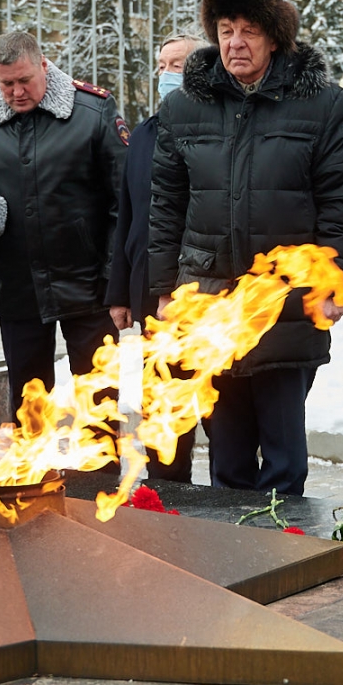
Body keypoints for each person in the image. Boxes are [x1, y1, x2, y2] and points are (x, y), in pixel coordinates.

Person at [149, 0, 343, 495]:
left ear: (274, 35)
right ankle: (231, 568)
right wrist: (162, 290)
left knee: (285, 458)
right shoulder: (184, 106)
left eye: (248, 30)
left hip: (286, 301)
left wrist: (333, 279)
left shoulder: (324, 104)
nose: (236, 42)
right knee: (226, 456)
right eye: (225, 29)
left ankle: (283, 560)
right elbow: (166, 204)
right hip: (207, 301)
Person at [0, 31, 128, 412]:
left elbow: (122, 200)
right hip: (18, 285)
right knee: (28, 408)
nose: (16, 92)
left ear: (43, 66)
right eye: (6, 83)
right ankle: (35, 472)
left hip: (88, 286)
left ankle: (99, 473)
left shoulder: (93, 112)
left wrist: (114, 278)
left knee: (99, 407)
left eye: (24, 80)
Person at [107, 34, 205, 484]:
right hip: (150, 290)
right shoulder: (144, 134)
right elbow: (128, 217)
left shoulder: (213, 128)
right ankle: (170, 490)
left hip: (201, 290)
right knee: (161, 404)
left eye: (179, 64)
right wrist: (120, 290)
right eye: (163, 65)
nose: (168, 74)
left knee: (206, 404)